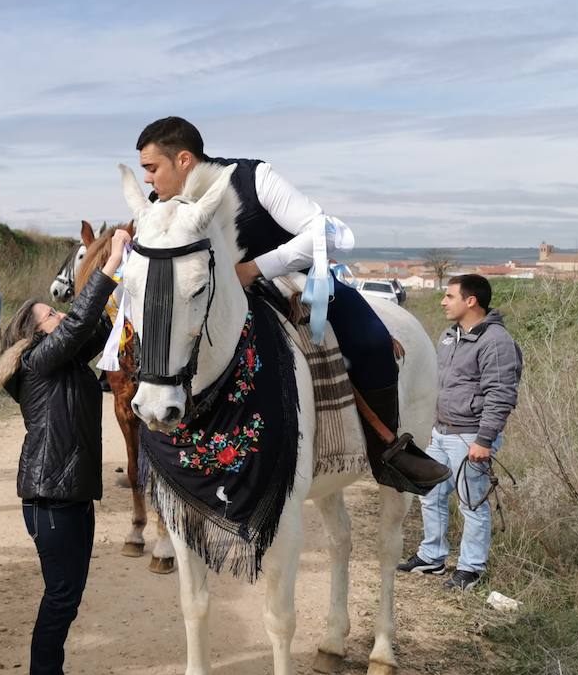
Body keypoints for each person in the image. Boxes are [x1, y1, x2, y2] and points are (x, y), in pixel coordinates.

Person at [135, 116, 449, 494]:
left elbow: (325, 231)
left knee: (370, 341)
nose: (148, 180)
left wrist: (256, 267)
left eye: (152, 168)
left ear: (183, 160)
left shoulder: (255, 178)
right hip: (207, 301)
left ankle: (388, 450)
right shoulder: (160, 208)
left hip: (290, 284)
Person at [0, 228, 130, 675]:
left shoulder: (62, 360)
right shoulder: (37, 362)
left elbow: (95, 328)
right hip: (50, 494)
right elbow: (82, 321)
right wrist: (108, 263)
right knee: (59, 595)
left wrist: (125, 274)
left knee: (69, 592)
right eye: (51, 314)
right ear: (33, 332)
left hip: (70, 492)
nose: (60, 314)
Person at [398, 274, 523, 591]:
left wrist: (484, 440)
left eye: (449, 296)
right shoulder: (449, 335)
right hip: (440, 431)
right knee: (431, 494)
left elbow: (500, 394)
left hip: (470, 436)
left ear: (471, 301)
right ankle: (432, 557)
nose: (443, 301)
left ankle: (471, 569)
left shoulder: (496, 341)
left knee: (472, 504)